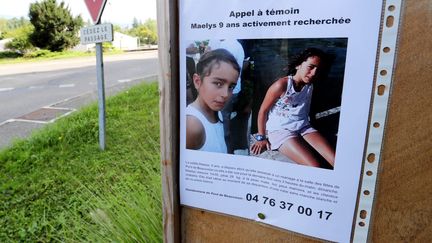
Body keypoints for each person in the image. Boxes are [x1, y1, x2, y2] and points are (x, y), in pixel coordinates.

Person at [250, 48, 335, 168]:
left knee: (335, 160)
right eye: (310, 67)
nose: (314, 73)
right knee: (314, 166)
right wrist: (261, 137)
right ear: (298, 65)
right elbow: (262, 111)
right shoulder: (281, 85)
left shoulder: (310, 84)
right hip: (280, 130)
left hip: (303, 125)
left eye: (318, 69)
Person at [186, 49, 240, 153]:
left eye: (231, 87)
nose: (225, 94)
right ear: (197, 81)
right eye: (218, 83)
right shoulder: (193, 126)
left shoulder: (216, 112)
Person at [206, 39, 245, 154]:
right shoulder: (236, 45)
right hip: (233, 89)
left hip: (226, 91)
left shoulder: (227, 45)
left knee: (223, 124)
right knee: (225, 120)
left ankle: (227, 153)